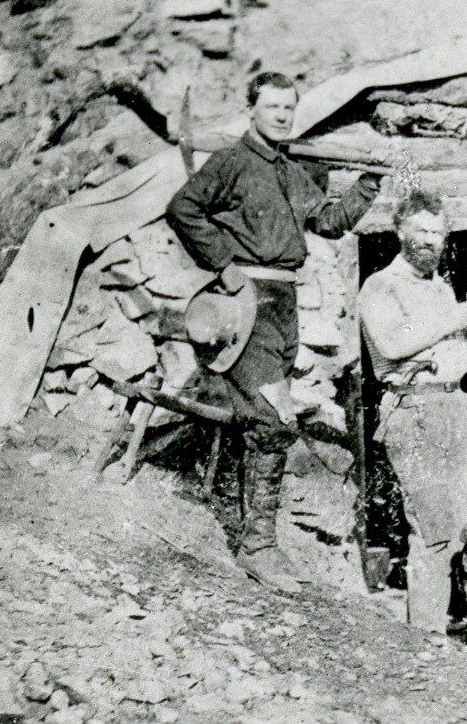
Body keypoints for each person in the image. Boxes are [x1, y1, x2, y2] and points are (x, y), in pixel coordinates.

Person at [166, 71, 382, 593]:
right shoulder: (233, 163)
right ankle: (258, 546)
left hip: (284, 304)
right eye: (273, 108)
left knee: (267, 417)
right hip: (246, 304)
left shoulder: (286, 169)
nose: (283, 116)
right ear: (252, 111)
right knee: (272, 418)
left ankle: (255, 535)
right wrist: (223, 265)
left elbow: (328, 223)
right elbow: (183, 208)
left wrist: (369, 185)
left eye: (290, 108)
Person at [357, 191, 467, 634]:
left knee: (452, 530)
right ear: (400, 232)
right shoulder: (382, 285)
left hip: (451, 407)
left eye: (437, 233)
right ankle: (428, 636)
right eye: (420, 231)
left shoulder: (439, 288)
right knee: (434, 531)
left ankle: (434, 632)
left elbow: (464, 360)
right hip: (415, 410)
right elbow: (391, 345)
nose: (429, 241)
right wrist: (451, 320)